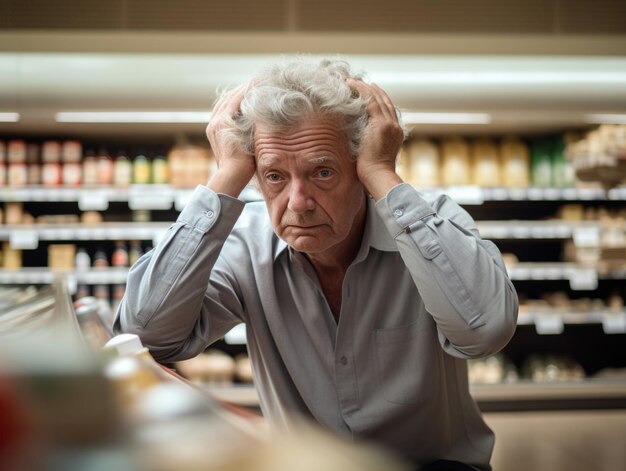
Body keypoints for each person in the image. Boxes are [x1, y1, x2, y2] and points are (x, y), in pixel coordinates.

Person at [114, 57, 518, 470]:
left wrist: (382, 171)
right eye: (274, 176)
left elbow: (485, 331)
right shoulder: (244, 245)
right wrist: (229, 174)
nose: (298, 203)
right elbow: (143, 337)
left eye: (322, 172)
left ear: (360, 168)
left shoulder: (432, 223)